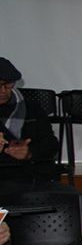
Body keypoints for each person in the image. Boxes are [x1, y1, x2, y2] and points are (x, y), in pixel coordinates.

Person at [0, 57, 61, 186]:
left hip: (30, 175)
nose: (3, 90)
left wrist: (29, 153)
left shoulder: (31, 108)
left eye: (8, 84)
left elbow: (51, 144)